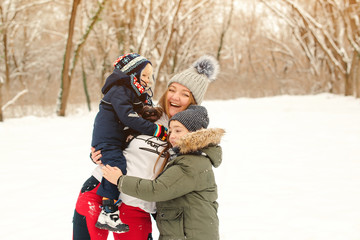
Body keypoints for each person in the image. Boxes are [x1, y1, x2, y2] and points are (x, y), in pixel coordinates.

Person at [73, 55, 219, 240]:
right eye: (172, 89)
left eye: (185, 94)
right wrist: (97, 154)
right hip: (100, 191)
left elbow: (191, 175)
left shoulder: (191, 133)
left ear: (194, 101)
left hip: (138, 206)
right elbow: (110, 134)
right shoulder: (145, 114)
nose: (175, 97)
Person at [102, 105, 225, 240]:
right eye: (171, 131)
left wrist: (120, 180)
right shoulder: (190, 158)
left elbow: (157, 189)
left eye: (178, 131)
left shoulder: (191, 163)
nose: (172, 136)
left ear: (195, 133)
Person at [89, 53, 168, 233]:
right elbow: (129, 117)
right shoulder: (119, 90)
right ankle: (108, 209)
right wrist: (156, 130)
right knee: (117, 166)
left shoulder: (133, 92)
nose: (148, 80)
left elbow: (140, 114)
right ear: (132, 74)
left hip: (117, 140)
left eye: (150, 76)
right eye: (144, 75)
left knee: (118, 163)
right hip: (108, 140)